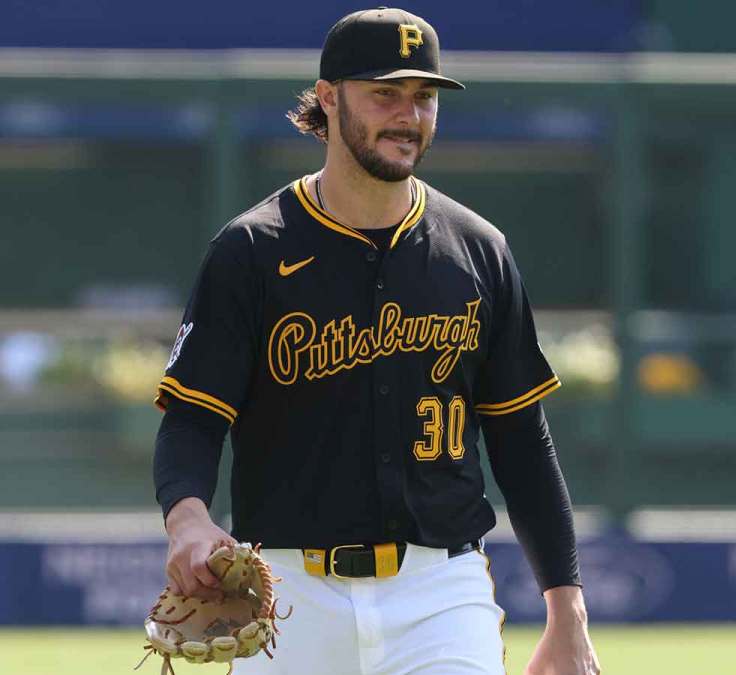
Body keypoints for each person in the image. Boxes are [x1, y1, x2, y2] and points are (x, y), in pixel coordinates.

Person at [151, 8, 600, 674]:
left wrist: (567, 609)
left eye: (423, 97)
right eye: (385, 93)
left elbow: (522, 442)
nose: (408, 114)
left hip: (438, 591)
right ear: (328, 99)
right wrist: (186, 514)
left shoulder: (479, 251)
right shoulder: (251, 251)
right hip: (288, 590)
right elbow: (194, 417)